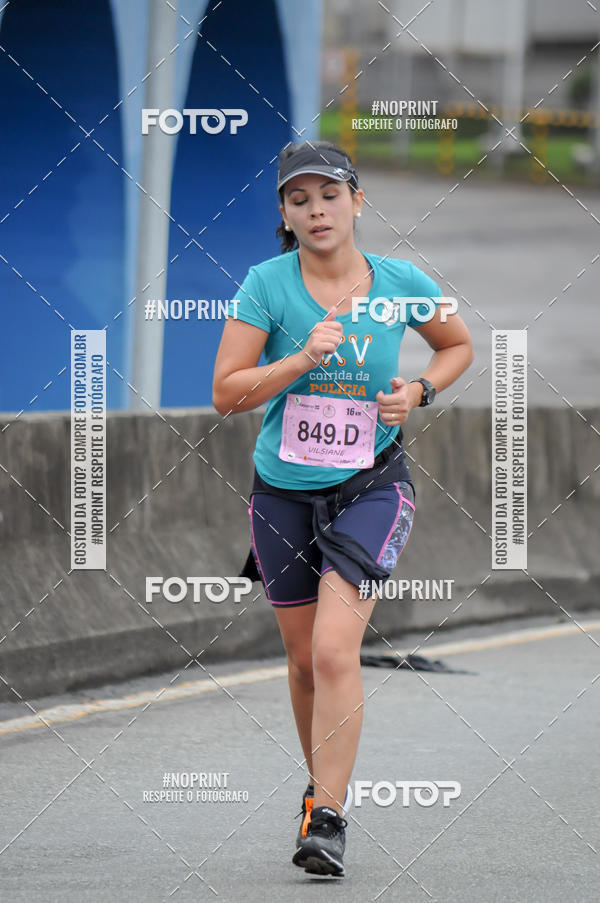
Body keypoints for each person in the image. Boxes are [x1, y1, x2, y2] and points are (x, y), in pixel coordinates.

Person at [212, 140, 473, 877]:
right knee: (300, 662)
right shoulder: (266, 284)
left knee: (333, 649)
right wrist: (298, 359)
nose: (316, 209)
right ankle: (318, 791)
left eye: (329, 194)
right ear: (285, 217)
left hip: (371, 485)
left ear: (357, 201)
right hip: (282, 492)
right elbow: (227, 392)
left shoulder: (400, 281)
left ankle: (328, 814)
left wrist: (419, 391)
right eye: (299, 199)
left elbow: (457, 344)